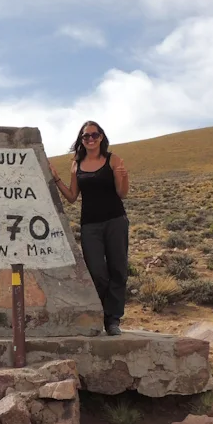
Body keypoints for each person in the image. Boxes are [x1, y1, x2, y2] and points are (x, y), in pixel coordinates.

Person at [49, 121, 129, 335]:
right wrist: (56, 178)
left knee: (118, 269)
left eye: (94, 135)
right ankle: (99, 313)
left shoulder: (113, 159)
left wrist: (124, 176)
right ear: (81, 140)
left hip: (115, 221)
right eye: (86, 136)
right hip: (90, 225)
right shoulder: (76, 164)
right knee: (97, 272)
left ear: (101, 137)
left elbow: (122, 193)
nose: (91, 139)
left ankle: (113, 320)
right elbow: (73, 197)